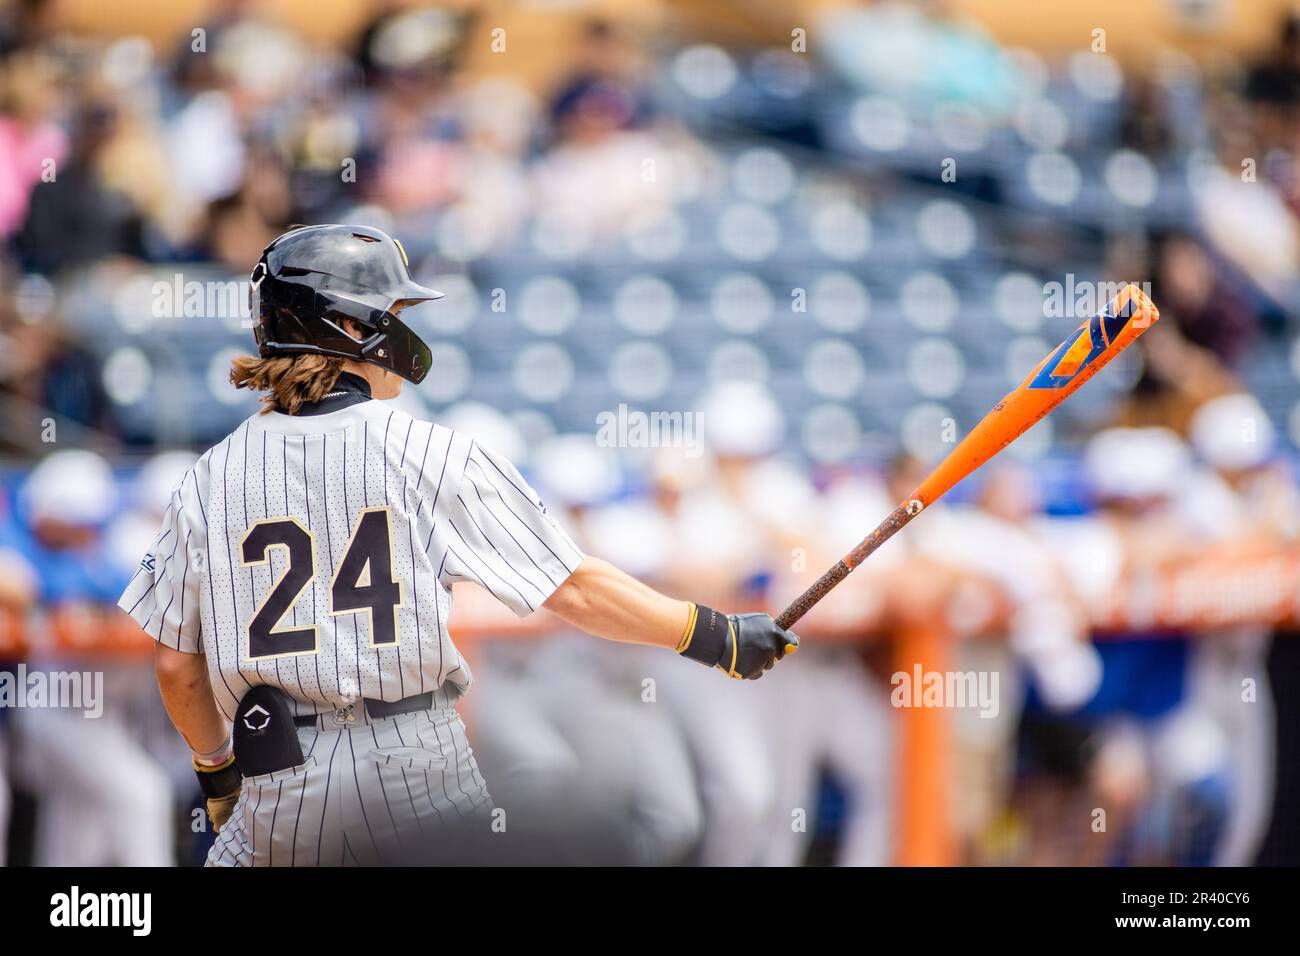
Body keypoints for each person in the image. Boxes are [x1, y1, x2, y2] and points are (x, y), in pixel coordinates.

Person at [116, 223, 799, 866]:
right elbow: (574, 587)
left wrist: (216, 770)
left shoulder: (205, 477)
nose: (402, 331)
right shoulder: (429, 451)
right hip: (413, 772)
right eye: (390, 313)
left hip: (275, 791)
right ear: (350, 327)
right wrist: (712, 635)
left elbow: (178, 669)